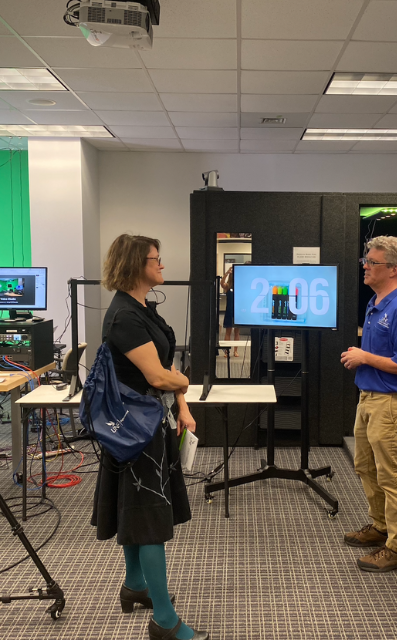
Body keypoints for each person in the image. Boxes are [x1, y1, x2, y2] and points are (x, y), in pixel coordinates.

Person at [92, 234, 208, 640]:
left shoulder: (142, 308)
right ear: (137, 264)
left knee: (136, 510)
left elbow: (163, 365)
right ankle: (164, 619)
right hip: (135, 433)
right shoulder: (124, 317)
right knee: (148, 521)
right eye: (156, 260)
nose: (162, 266)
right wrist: (184, 382)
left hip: (146, 421)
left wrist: (183, 404)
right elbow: (159, 375)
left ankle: (136, 584)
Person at [340, 236, 397, 573]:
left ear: (393, 268)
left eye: (372, 262)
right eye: (366, 260)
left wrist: (365, 357)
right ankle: (380, 527)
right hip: (369, 398)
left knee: (391, 478)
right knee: (366, 467)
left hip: (391, 404)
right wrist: (366, 357)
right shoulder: (377, 301)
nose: (365, 266)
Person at [221, 266, 240, 357]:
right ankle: (226, 351)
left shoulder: (240, 286)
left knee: (237, 332)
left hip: (238, 311)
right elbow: (221, 283)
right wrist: (227, 273)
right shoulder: (228, 287)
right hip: (229, 311)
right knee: (228, 332)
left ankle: (235, 351)